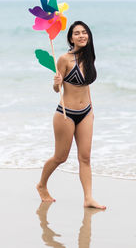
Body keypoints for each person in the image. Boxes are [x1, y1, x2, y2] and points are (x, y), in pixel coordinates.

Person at [37, 21, 106, 210]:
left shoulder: (89, 57)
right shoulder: (64, 59)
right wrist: (56, 82)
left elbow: (86, 87)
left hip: (85, 114)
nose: (82, 36)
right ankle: (42, 185)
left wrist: (91, 110)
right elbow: (56, 89)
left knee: (85, 157)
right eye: (77, 33)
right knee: (61, 157)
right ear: (71, 38)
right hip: (66, 114)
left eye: (84, 32)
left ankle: (88, 198)